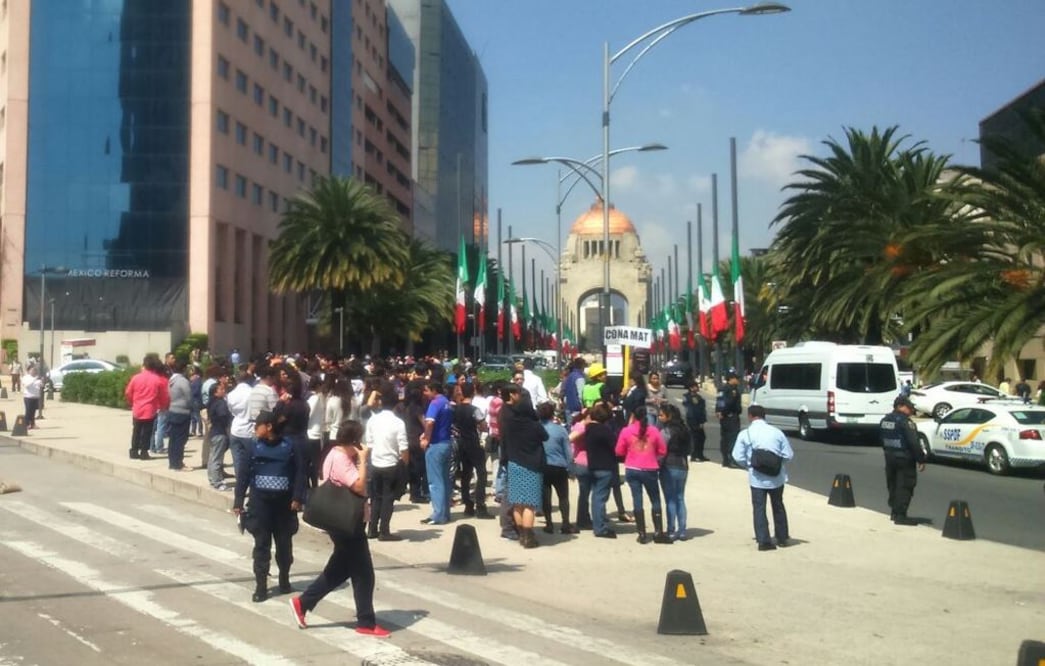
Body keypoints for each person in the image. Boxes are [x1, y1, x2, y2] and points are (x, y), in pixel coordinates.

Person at [288, 421, 390, 638]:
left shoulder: (333, 453)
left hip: (341, 522)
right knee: (364, 574)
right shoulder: (342, 459)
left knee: (339, 570)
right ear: (353, 441)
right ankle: (366, 621)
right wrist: (363, 461)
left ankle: (303, 603)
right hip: (347, 523)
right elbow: (359, 487)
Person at [233, 410, 307, 602]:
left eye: (257, 425)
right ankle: (261, 586)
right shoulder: (252, 446)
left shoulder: (290, 446)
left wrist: (298, 497)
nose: (255, 429)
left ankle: (284, 577)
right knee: (261, 546)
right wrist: (238, 501)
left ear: (269, 427)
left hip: (284, 506)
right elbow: (243, 475)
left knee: (284, 546)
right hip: (260, 505)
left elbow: (300, 472)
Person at [731, 404, 794, 551]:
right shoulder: (777, 432)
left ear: (750, 416)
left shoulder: (745, 434)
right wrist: (776, 463)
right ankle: (782, 537)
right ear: (764, 416)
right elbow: (788, 455)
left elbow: (737, 456)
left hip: (756, 478)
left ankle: (763, 540)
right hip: (777, 477)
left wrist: (749, 465)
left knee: (759, 508)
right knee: (778, 505)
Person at [499, 382, 548, 548]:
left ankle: (520, 534)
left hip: (514, 463)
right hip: (531, 465)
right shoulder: (534, 425)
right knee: (529, 505)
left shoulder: (510, 422)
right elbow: (545, 436)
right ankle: (528, 537)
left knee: (518, 504)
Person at [615, 406, 670, 544]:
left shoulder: (626, 431)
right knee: (655, 499)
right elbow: (663, 450)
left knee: (637, 499)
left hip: (632, 468)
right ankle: (658, 532)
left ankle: (642, 533)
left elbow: (619, 451)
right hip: (650, 468)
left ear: (633, 416)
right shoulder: (654, 431)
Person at [364, 389, 409, 540]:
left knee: (375, 498)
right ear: (396, 404)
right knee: (388, 499)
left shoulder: (372, 420)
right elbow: (403, 448)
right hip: (391, 464)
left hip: (375, 462)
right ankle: (384, 531)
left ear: (381, 403)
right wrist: (405, 465)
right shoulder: (398, 423)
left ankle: (372, 528)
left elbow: (369, 444)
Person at [879, 395, 926, 526]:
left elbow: (881, 439)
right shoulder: (906, 422)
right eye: (908, 408)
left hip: (889, 456)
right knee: (905, 485)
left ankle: (894, 512)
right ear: (900, 406)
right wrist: (920, 459)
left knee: (893, 484)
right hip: (904, 458)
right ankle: (900, 515)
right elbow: (914, 443)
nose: (910, 411)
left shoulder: (884, 420)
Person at [452, 382, 490, 519]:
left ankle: (468, 503)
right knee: (481, 473)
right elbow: (483, 426)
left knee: (465, 474)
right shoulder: (475, 410)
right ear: (473, 392)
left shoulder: (456, 409)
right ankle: (480, 505)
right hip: (473, 441)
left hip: (461, 442)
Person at [124, 354, 171, 460]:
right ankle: (144, 452)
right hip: (150, 409)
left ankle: (134, 451)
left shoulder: (136, 378)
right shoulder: (157, 380)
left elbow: (128, 392)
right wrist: (163, 405)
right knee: (147, 432)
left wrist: (132, 401)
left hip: (137, 408)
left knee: (136, 431)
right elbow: (163, 395)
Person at [538, 401, 575, 534]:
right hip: (559, 466)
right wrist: (571, 469)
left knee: (546, 497)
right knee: (563, 496)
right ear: (552, 414)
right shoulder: (560, 430)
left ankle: (549, 523)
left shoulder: (536, 429)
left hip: (543, 466)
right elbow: (568, 453)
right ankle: (566, 523)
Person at [420, 381, 453, 525]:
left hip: (436, 445)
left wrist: (426, 438)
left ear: (433, 390)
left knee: (435, 482)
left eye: (426, 390)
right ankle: (445, 513)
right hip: (447, 443)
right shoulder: (447, 403)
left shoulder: (434, 404)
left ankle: (437, 514)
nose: (425, 393)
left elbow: (430, 422)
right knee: (445, 480)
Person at [584, 403, 618, 539]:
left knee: (597, 496)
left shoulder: (589, 429)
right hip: (605, 466)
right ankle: (600, 528)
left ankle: (600, 522)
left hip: (593, 465)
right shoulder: (604, 430)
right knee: (600, 498)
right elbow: (615, 446)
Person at [658, 404, 691, 541]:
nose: (659, 417)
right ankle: (682, 530)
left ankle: (671, 530)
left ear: (669, 416)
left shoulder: (666, 431)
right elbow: (690, 449)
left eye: (661, 415)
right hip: (683, 465)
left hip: (668, 466)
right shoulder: (685, 430)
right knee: (680, 498)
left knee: (670, 500)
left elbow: (661, 450)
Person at [166, 358, 193, 471]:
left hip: (172, 410)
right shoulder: (183, 381)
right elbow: (189, 397)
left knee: (173, 439)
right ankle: (178, 463)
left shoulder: (171, 380)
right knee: (180, 440)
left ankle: (172, 462)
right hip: (182, 412)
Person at [206, 381, 232, 491]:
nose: (224, 391)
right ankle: (217, 482)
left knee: (213, 456)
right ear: (215, 393)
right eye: (221, 389)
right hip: (220, 432)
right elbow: (223, 416)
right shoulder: (220, 403)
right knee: (217, 458)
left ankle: (213, 478)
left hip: (214, 432)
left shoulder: (211, 402)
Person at [716, 372, 743, 468]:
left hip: (724, 417)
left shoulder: (722, 388)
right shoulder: (731, 390)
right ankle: (730, 459)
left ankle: (725, 460)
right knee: (732, 438)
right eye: (736, 378)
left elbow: (719, 401)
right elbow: (729, 403)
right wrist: (723, 412)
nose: (738, 380)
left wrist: (719, 412)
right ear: (731, 379)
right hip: (731, 416)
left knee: (725, 438)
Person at [682, 380, 709, 462]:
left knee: (702, 437)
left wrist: (702, 421)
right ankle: (693, 455)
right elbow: (689, 410)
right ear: (691, 388)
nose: (697, 388)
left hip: (699, 421)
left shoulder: (699, 398)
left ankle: (700, 454)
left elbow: (702, 410)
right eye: (695, 386)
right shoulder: (687, 397)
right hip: (691, 421)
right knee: (694, 438)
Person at [562, 357, 586, 426]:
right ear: (582, 366)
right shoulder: (579, 377)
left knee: (570, 429)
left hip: (568, 407)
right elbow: (581, 395)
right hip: (577, 409)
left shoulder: (569, 376)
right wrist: (583, 408)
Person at [21, 366, 43, 430]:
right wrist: (34, 379)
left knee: (33, 412)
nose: (34, 371)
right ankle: (26, 424)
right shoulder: (26, 377)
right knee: (28, 411)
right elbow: (27, 385)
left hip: (35, 397)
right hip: (28, 397)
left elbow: (41, 385)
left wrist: (42, 381)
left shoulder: (37, 378)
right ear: (28, 371)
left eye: (35, 370)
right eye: (32, 370)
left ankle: (33, 424)